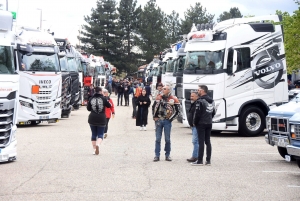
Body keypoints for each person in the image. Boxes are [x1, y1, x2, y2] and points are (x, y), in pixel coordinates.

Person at [152, 85, 180, 162]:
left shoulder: (173, 99)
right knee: (158, 139)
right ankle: (156, 155)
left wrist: (170, 119)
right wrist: (154, 116)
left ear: (169, 90)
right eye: (163, 88)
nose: (162, 90)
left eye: (165, 89)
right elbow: (153, 107)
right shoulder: (158, 97)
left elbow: (178, 111)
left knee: (167, 139)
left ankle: (167, 155)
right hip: (159, 120)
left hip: (167, 121)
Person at [191, 85, 215, 166]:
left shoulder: (200, 101)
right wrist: (209, 118)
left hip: (201, 123)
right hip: (209, 123)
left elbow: (197, 113)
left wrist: (195, 122)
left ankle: (200, 160)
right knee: (208, 141)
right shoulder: (212, 100)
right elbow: (213, 112)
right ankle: (208, 161)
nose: (198, 91)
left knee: (201, 141)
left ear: (202, 91)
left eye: (198, 90)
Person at [87, 87, 111, 155]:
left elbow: (88, 109)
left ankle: (94, 149)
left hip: (92, 117)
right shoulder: (104, 98)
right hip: (101, 117)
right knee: (100, 134)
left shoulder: (91, 98)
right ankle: (98, 144)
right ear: (101, 92)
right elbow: (109, 105)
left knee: (94, 134)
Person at [187, 91, 199, 162]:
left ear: (197, 97)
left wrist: (195, 122)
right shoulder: (193, 103)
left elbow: (197, 115)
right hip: (193, 125)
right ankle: (195, 155)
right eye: (190, 96)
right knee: (195, 141)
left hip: (196, 125)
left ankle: (195, 156)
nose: (191, 98)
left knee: (195, 141)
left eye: (192, 96)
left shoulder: (197, 104)